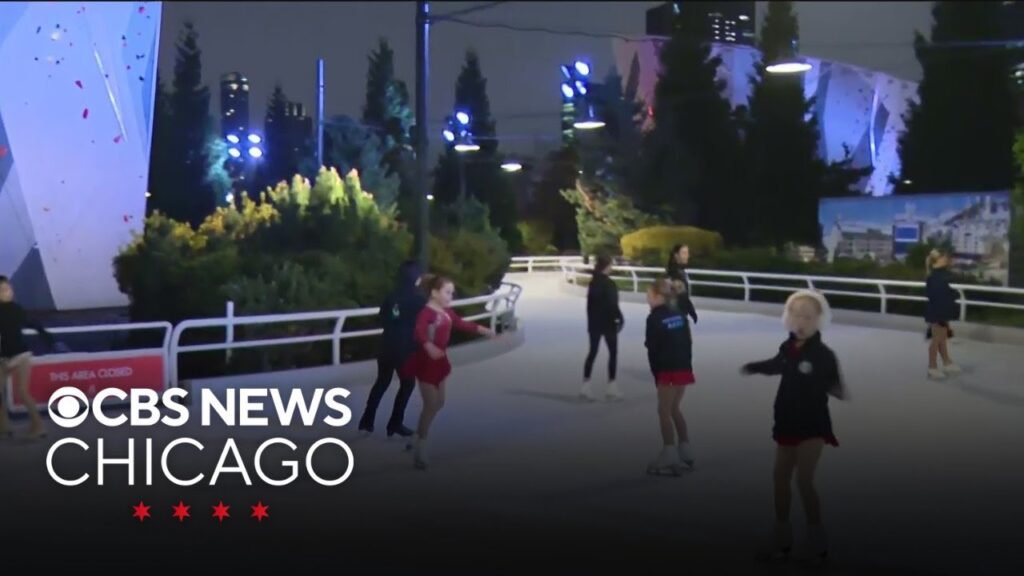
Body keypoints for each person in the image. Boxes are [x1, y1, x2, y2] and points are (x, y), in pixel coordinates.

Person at [741, 289, 847, 564]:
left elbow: (834, 384)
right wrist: (755, 367)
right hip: (786, 422)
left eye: (808, 317)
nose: (801, 321)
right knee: (779, 478)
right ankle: (781, 533)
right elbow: (777, 365)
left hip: (812, 425)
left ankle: (816, 535)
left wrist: (831, 387)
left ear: (819, 321)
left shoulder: (823, 355)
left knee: (804, 480)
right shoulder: (787, 347)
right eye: (796, 315)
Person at [403, 276, 496, 470]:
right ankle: (421, 447)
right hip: (426, 361)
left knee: (439, 403)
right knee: (431, 403)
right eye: (447, 292)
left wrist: (482, 329)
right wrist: (428, 345)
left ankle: (417, 435)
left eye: (452, 293)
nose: (450, 296)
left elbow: (461, 323)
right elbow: (419, 332)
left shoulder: (446, 312)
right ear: (435, 293)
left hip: (440, 361)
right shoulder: (426, 313)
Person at [358, 261, 427, 437]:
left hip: (386, 344)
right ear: (416, 278)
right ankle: (395, 423)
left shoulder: (391, 296)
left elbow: (382, 317)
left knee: (382, 381)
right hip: (405, 349)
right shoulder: (419, 299)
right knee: (408, 384)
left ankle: (367, 420)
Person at [644, 278, 696, 476]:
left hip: (666, 368)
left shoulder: (654, 319)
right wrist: (687, 365)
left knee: (663, 410)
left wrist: (657, 373)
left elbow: (652, 348)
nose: (646, 298)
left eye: (649, 295)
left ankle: (669, 451)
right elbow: (688, 342)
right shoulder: (681, 316)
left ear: (658, 297)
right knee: (675, 408)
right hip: (683, 367)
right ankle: (685, 449)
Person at [0, 276, 54, 439]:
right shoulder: (17, 308)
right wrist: (44, 334)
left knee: (21, 391)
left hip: (12, 356)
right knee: (22, 391)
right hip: (18, 354)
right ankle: (28, 426)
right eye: (3, 290)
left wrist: (43, 333)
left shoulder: (17, 308)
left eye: (8, 288)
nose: (7, 292)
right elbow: (33, 323)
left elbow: (32, 323)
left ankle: (9, 425)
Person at [581, 255, 624, 402]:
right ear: (607, 266)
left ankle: (585, 385)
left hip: (594, 324)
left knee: (592, 352)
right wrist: (619, 318)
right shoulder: (609, 284)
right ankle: (611, 386)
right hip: (608, 324)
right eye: (611, 265)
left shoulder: (593, 283)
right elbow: (613, 305)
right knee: (613, 353)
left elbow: (589, 306)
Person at [924, 249, 960, 380]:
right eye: (944, 257)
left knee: (942, 338)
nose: (946, 259)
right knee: (937, 340)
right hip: (937, 311)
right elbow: (935, 294)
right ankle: (932, 367)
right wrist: (953, 294)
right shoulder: (934, 276)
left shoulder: (940, 274)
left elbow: (945, 291)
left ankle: (946, 362)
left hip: (941, 310)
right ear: (937, 260)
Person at [665, 244, 698, 325]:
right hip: (675, 315)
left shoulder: (680, 271)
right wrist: (691, 311)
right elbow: (682, 296)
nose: (687, 256)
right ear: (676, 255)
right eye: (684, 253)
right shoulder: (673, 273)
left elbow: (684, 295)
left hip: (678, 315)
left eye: (687, 253)